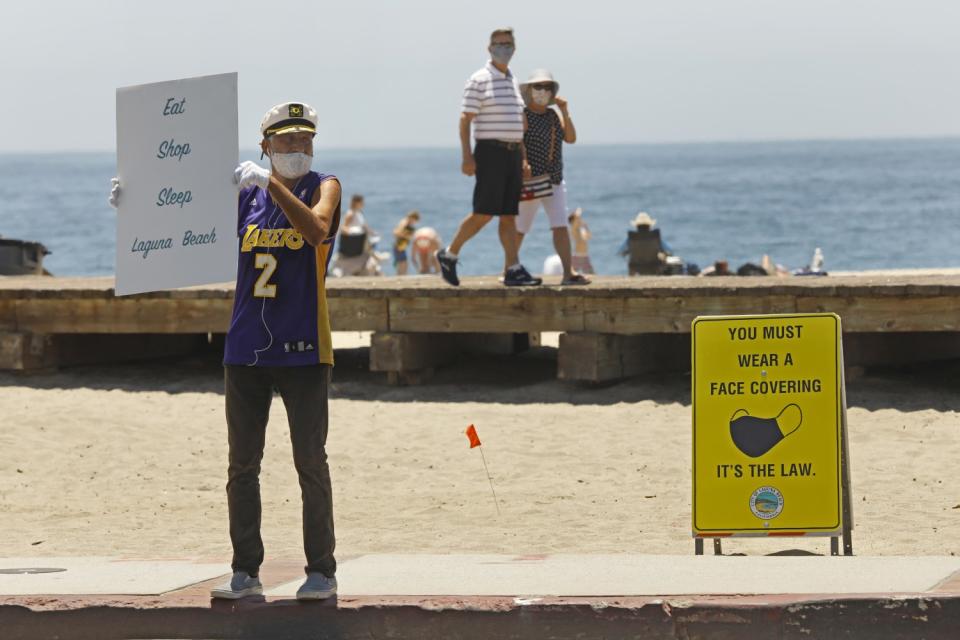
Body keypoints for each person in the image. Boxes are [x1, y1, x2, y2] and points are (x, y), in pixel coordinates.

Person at [112, 102, 343, 600]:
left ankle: (321, 570)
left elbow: (316, 230)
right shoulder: (245, 196)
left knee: (310, 461)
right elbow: (181, 229)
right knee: (242, 465)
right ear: (265, 145)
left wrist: (270, 183)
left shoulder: (323, 185)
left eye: (304, 140)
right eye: (285, 141)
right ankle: (245, 568)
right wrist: (132, 208)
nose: (296, 149)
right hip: (246, 348)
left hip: (304, 346)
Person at [435, 28, 541, 287]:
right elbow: (465, 120)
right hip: (490, 153)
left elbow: (519, 125)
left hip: (513, 154)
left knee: (508, 215)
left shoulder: (513, 82)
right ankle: (449, 254)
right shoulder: (479, 79)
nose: (504, 48)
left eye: (508, 44)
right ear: (489, 47)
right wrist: (467, 156)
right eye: (499, 44)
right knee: (483, 213)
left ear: (514, 47)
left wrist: (524, 158)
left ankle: (513, 268)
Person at [515, 69, 589, 285]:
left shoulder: (552, 116)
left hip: (554, 178)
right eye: (538, 87)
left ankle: (568, 273)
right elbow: (518, 140)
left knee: (560, 225)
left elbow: (571, 138)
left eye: (547, 87)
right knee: (521, 228)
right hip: (532, 180)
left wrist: (565, 111)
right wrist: (523, 161)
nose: (543, 92)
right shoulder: (523, 114)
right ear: (529, 91)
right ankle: (509, 267)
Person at [392, 210, 419, 275]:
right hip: (399, 246)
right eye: (415, 220)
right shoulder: (404, 222)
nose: (415, 222)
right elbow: (396, 232)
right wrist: (407, 236)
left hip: (401, 247)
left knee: (403, 265)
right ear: (412, 218)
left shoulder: (408, 224)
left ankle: (399, 279)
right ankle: (399, 280)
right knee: (403, 265)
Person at [568, 208, 595, 275]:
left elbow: (589, 237)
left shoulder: (580, 230)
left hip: (584, 255)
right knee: (574, 271)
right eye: (578, 219)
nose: (580, 220)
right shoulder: (574, 230)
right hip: (578, 255)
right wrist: (578, 213)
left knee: (590, 272)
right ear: (574, 221)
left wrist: (585, 227)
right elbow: (575, 222)